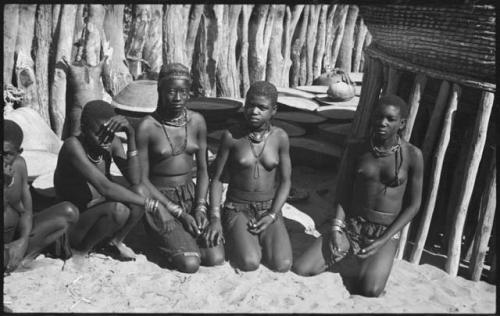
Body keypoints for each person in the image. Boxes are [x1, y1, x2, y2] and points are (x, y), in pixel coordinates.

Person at [292, 95, 424, 297]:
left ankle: (370, 264)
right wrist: (336, 228)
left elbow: (413, 205)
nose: (383, 122)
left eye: (390, 119)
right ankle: (354, 256)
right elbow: (343, 191)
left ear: (402, 123)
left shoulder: (413, 155)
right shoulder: (357, 149)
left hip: (385, 231)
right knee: (302, 268)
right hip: (352, 226)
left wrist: (383, 240)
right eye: (379, 116)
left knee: (369, 290)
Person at [54, 100, 172, 260]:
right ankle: (81, 252)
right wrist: (153, 205)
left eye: (109, 134)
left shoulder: (112, 143)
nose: (104, 140)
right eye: (98, 134)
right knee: (119, 209)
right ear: (83, 127)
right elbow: (105, 188)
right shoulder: (73, 146)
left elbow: (135, 179)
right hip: (75, 223)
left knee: (140, 191)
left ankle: (115, 242)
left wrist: (130, 134)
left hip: (100, 216)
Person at [135, 63, 224, 273]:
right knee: (190, 263)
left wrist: (201, 207)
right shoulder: (148, 127)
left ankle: (181, 240)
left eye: (183, 92)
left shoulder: (197, 122)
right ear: (160, 91)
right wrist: (179, 213)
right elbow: (142, 180)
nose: (177, 98)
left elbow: (203, 171)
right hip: (160, 200)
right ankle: (168, 239)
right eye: (171, 92)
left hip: (190, 196)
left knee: (215, 257)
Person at [207, 81, 293, 272]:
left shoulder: (280, 138)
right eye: (250, 105)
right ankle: (237, 234)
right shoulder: (232, 136)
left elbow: (286, 181)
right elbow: (218, 179)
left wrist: (272, 214)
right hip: (237, 207)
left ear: (273, 110)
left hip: (268, 208)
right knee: (249, 262)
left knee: (282, 264)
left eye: (262, 108)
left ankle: (260, 235)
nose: (254, 111)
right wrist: (214, 217)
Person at [3, 120, 79, 273]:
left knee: (69, 212)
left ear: (19, 152)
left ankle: (20, 256)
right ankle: (13, 260)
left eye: (7, 154)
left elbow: (26, 211)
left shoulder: (20, 165)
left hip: (16, 236)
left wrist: (23, 241)